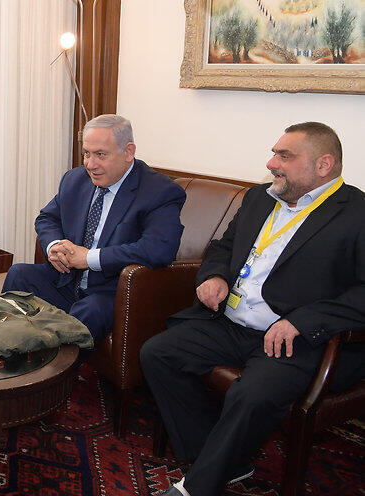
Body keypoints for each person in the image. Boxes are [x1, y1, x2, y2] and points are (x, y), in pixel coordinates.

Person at [143, 122, 365, 496]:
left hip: (295, 339)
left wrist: (303, 320)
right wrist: (214, 276)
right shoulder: (260, 197)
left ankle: (198, 487)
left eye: (284, 156)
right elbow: (223, 247)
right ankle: (226, 461)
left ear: (324, 164)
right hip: (231, 322)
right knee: (158, 353)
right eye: (274, 153)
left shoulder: (357, 213)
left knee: (250, 395)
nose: (271, 162)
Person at [2, 114, 186, 345]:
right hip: (68, 279)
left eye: (100, 154)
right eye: (87, 153)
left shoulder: (158, 191)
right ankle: (6, 350)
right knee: (19, 274)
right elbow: (47, 218)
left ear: (128, 152)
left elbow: (159, 249)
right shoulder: (75, 179)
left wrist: (89, 258)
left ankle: (54, 376)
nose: (90, 164)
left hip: (113, 292)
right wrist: (55, 245)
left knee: (91, 309)